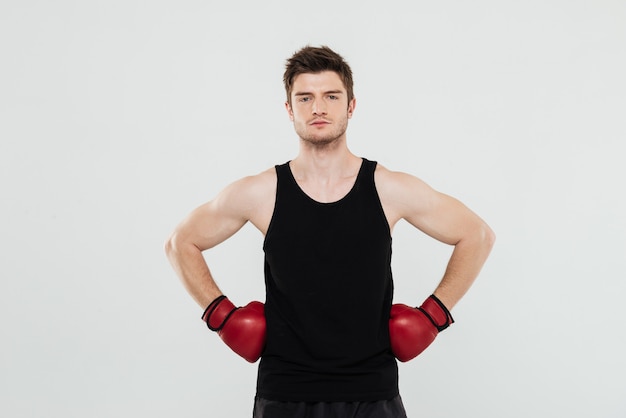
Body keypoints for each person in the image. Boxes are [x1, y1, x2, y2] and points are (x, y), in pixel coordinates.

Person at [165, 45, 495, 418]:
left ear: (351, 106)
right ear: (289, 110)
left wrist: (435, 314)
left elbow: (476, 235)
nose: (317, 108)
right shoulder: (260, 193)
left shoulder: (389, 188)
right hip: (284, 393)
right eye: (304, 98)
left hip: (372, 393)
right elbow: (181, 242)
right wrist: (220, 314)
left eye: (330, 96)